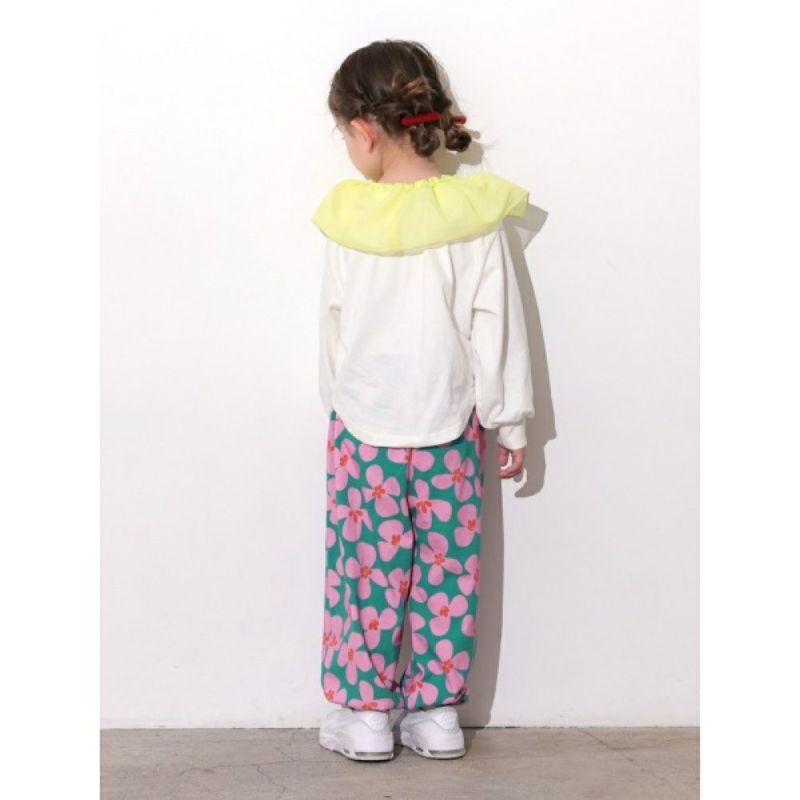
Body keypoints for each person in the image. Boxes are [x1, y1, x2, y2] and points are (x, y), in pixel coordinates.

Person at [312, 39, 535, 761]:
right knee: (447, 570)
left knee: (366, 575)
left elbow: (333, 327)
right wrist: (510, 420)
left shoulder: (351, 219)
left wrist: (337, 404)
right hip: (450, 430)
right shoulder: (471, 216)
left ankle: (366, 715)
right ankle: (436, 713)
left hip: (364, 434)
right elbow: (494, 325)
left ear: (365, 131)